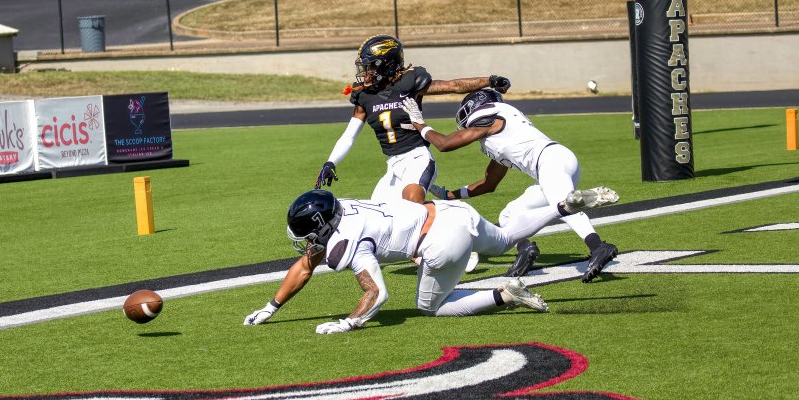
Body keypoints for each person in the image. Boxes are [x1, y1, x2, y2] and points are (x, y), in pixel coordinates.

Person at [242, 184, 619, 333]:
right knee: (505, 240)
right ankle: (563, 206)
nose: (308, 244)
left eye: (310, 235)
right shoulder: (344, 206)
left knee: (430, 308)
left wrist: (349, 322)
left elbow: (377, 294)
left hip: (440, 241)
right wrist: (272, 307)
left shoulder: (348, 242)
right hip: (450, 211)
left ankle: (504, 295)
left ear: (323, 226)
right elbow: (306, 264)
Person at [401, 88, 620, 283]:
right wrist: (449, 194)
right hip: (554, 164)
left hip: (551, 161)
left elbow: (445, 144)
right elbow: (489, 183)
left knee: (564, 204)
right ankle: (525, 250)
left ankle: (598, 246)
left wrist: (419, 124)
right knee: (510, 214)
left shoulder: (489, 117)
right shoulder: (503, 135)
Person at [314, 34, 510, 205]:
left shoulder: (409, 84)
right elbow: (349, 135)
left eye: (371, 66)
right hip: (393, 166)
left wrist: (489, 80)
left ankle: (451, 224)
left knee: (412, 207)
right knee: (380, 219)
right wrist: (331, 162)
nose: (365, 73)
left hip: (417, 159)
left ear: (387, 65)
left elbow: (453, 85)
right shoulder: (364, 95)